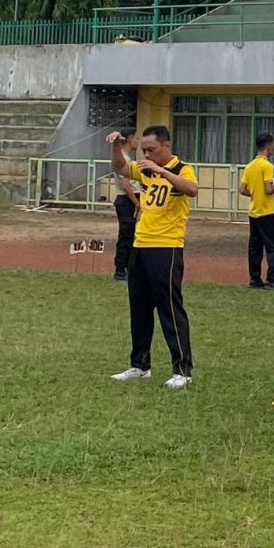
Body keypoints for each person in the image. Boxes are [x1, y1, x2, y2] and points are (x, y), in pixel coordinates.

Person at [108, 125, 198, 388]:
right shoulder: (143, 167)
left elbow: (192, 189)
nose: (146, 154)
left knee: (170, 308)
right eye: (144, 149)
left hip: (167, 246)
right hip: (141, 244)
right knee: (139, 308)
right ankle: (140, 365)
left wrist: (162, 171)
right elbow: (121, 168)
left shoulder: (182, 168)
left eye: (152, 150)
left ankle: (182, 369)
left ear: (166, 146)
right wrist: (116, 146)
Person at [240, 132, 274, 289]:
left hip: (253, 212)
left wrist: (254, 193)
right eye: (271, 146)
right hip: (266, 212)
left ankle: (255, 278)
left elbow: (242, 189)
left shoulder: (250, 166)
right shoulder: (267, 166)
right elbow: (268, 189)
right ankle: (272, 279)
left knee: (255, 246)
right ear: (268, 146)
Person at [111, 167, 137, 284]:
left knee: (130, 235)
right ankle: (121, 270)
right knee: (127, 235)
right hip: (127, 200)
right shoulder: (124, 160)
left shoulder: (127, 159)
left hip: (129, 199)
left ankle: (128, 268)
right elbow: (125, 185)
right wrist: (136, 203)